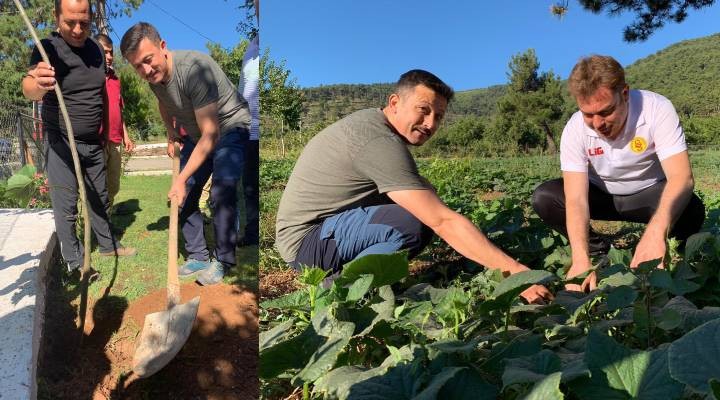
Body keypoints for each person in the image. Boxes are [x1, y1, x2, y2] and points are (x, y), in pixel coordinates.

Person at [276, 69, 553, 304]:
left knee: (422, 202)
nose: (430, 123)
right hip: (308, 245)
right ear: (395, 103)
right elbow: (441, 220)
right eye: (423, 110)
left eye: (439, 116)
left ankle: (357, 277)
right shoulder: (378, 141)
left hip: (320, 234)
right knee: (414, 222)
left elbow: (427, 194)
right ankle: (343, 291)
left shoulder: (375, 128)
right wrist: (516, 273)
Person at [531, 55, 705, 292]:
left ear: (624, 94)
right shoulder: (574, 129)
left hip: (647, 195)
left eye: (606, 111)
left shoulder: (656, 109)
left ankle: (672, 250)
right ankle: (595, 250)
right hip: (602, 196)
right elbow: (576, 199)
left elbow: (681, 177)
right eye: (588, 114)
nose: (598, 123)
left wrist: (655, 232)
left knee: (690, 208)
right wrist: (580, 257)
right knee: (546, 197)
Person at [120, 22, 251, 285]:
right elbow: (163, 101)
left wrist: (179, 178)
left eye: (148, 60)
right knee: (185, 193)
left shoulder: (193, 69)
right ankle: (198, 255)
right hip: (196, 135)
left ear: (163, 47)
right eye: (138, 66)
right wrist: (171, 134)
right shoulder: (154, 78)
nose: (145, 70)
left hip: (229, 129)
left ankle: (223, 260)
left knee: (221, 189)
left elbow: (211, 135)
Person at [21, 0, 136, 273]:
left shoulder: (96, 50)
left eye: (84, 22)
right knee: (67, 205)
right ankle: (76, 262)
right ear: (56, 15)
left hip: (93, 142)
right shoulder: (46, 49)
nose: (76, 29)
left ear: (91, 17)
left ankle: (108, 245)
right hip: (61, 142)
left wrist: (109, 133)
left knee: (100, 197)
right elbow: (28, 87)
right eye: (70, 22)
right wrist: (37, 84)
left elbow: (102, 95)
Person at [95, 33, 135, 214]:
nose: (110, 57)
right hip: (98, 141)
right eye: (105, 52)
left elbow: (119, 110)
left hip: (116, 140)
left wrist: (126, 136)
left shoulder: (115, 80)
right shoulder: (90, 77)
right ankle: (95, 226)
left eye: (111, 53)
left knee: (113, 185)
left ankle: (107, 222)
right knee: (96, 186)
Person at [237, 27, 259, 246]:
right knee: (250, 187)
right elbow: (244, 89)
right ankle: (253, 234)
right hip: (249, 130)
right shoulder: (251, 47)